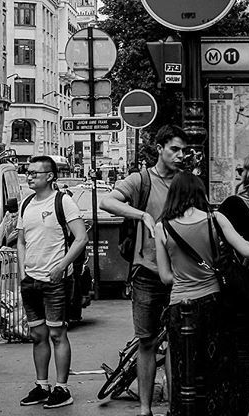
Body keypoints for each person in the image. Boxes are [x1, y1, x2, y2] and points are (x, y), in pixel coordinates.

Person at [100, 124, 187, 416]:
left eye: (183, 150)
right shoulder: (141, 180)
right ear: (160, 148)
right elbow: (107, 201)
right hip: (146, 273)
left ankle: (176, 408)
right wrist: (143, 216)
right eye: (174, 149)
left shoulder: (184, 182)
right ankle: (145, 409)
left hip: (179, 274)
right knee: (147, 341)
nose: (180, 155)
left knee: (177, 340)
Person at [154, 172, 249, 416]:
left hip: (180, 306)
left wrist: (185, 276)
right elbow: (248, 251)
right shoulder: (215, 219)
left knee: (184, 369)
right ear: (200, 192)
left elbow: (165, 276)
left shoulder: (162, 226)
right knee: (217, 369)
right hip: (214, 303)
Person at [17, 155, 87, 409]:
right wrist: (23, 270)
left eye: (35, 172)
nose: (30, 175)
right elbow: (21, 239)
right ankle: (42, 385)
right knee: (38, 335)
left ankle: (62, 388)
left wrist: (61, 266)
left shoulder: (63, 202)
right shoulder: (26, 204)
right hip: (31, 279)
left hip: (55, 280)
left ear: (50, 176)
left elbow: (80, 238)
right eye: (28, 171)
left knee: (57, 333)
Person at [219, 152, 249, 412]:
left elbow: (217, 246)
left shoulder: (233, 205)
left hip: (242, 291)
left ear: (248, 173)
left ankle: (239, 409)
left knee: (240, 356)